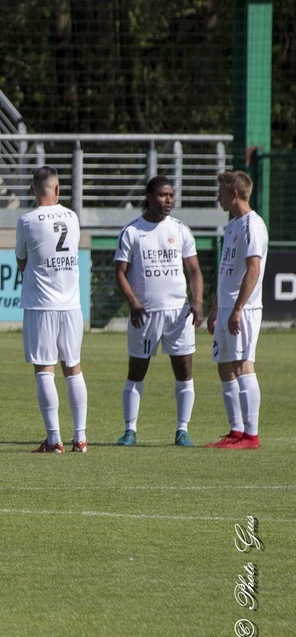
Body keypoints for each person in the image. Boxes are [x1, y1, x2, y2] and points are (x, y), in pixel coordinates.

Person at [113, 176, 204, 447]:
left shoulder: (180, 229)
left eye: (171, 195)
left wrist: (198, 300)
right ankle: (130, 430)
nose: (169, 200)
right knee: (137, 370)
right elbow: (120, 273)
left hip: (178, 313)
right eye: (163, 195)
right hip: (146, 313)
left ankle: (182, 429)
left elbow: (194, 270)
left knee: (184, 369)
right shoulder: (132, 232)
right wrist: (134, 302)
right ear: (149, 197)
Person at [15, 166, 89, 453]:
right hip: (71, 305)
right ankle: (80, 438)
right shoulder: (72, 216)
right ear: (57, 189)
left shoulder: (27, 220)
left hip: (41, 305)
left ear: (32, 191)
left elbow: (22, 260)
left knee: (45, 370)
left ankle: (54, 439)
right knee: (73, 368)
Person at [205, 170, 269, 449]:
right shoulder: (232, 225)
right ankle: (236, 430)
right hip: (226, 308)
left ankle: (251, 436)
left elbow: (253, 270)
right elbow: (226, 272)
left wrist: (238, 308)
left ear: (234, 194)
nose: (218, 197)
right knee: (224, 365)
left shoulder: (253, 225)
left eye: (221, 192)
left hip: (243, 310)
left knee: (243, 365)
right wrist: (215, 308)